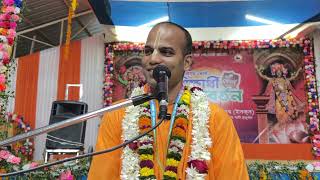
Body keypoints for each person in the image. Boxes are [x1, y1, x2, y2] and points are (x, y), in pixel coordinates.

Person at [88, 22, 248, 179]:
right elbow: (102, 174)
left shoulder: (215, 118)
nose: (153, 59)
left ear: (186, 62)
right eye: (148, 51)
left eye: (166, 52)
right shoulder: (118, 114)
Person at [259, 62, 308, 143]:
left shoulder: (286, 80)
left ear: (282, 72)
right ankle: (281, 128)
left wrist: (299, 70)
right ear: (275, 73)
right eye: (277, 72)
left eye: (280, 72)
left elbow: (293, 84)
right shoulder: (273, 80)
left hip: (288, 99)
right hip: (279, 101)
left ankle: (287, 129)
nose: (279, 73)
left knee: (290, 114)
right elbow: (267, 88)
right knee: (280, 115)